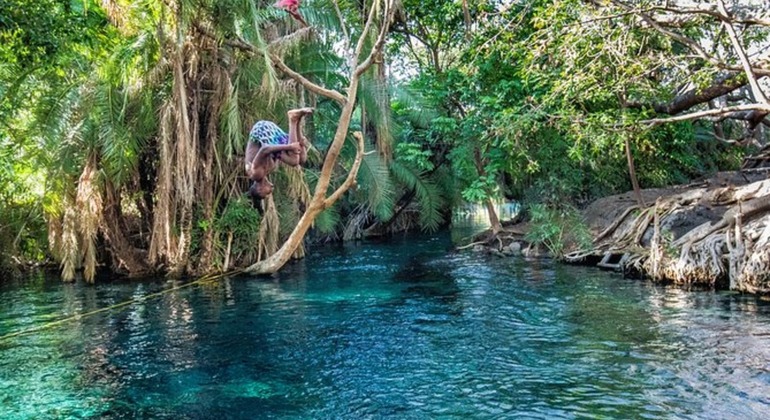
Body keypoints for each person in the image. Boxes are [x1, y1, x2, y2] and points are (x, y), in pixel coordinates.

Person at [245, 107, 314, 200]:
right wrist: (299, 145)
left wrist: (290, 147)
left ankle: (293, 120)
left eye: (266, 194)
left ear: (260, 190)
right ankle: (298, 120)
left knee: (293, 160)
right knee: (302, 158)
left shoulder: (255, 174)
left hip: (260, 131)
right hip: (266, 141)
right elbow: (275, 154)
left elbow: (264, 149)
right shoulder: (268, 169)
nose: (270, 193)